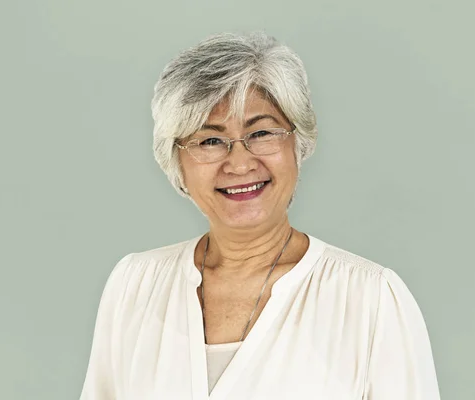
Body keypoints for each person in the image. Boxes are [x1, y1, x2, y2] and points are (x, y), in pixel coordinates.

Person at [79, 32, 441, 400]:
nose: (239, 163)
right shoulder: (134, 285)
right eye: (210, 140)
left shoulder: (370, 299)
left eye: (262, 132)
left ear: (297, 145)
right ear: (176, 161)